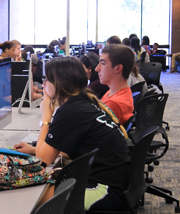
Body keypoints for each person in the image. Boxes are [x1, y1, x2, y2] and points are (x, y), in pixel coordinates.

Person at [14, 56, 130, 212]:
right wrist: (33, 149)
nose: (44, 84)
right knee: (43, 183)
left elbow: (43, 160)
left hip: (106, 192)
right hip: (114, 183)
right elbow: (71, 149)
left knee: (33, 195)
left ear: (58, 84)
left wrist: (46, 117)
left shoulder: (69, 111)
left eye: (47, 79)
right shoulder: (84, 103)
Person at [95, 44, 134, 125]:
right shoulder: (114, 92)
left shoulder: (113, 104)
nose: (97, 69)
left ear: (118, 68)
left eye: (103, 63)